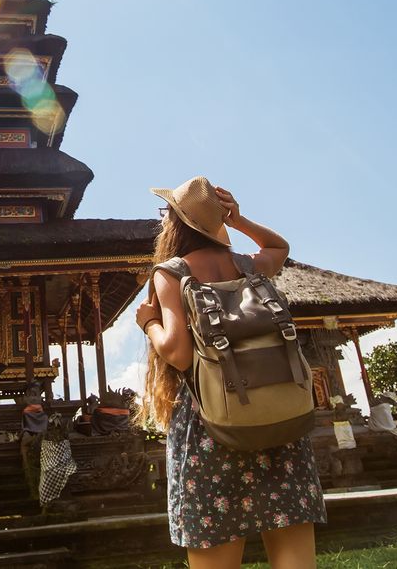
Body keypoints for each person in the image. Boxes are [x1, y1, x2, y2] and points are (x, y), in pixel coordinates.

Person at [136, 177, 324, 569]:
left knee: (215, 546)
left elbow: (179, 353)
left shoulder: (171, 273)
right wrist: (240, 222)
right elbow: (279, 248)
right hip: (277, 416)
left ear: (174, 222)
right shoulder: (247, 265)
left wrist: (149, 322)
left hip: (213, 425)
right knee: (292, 544)